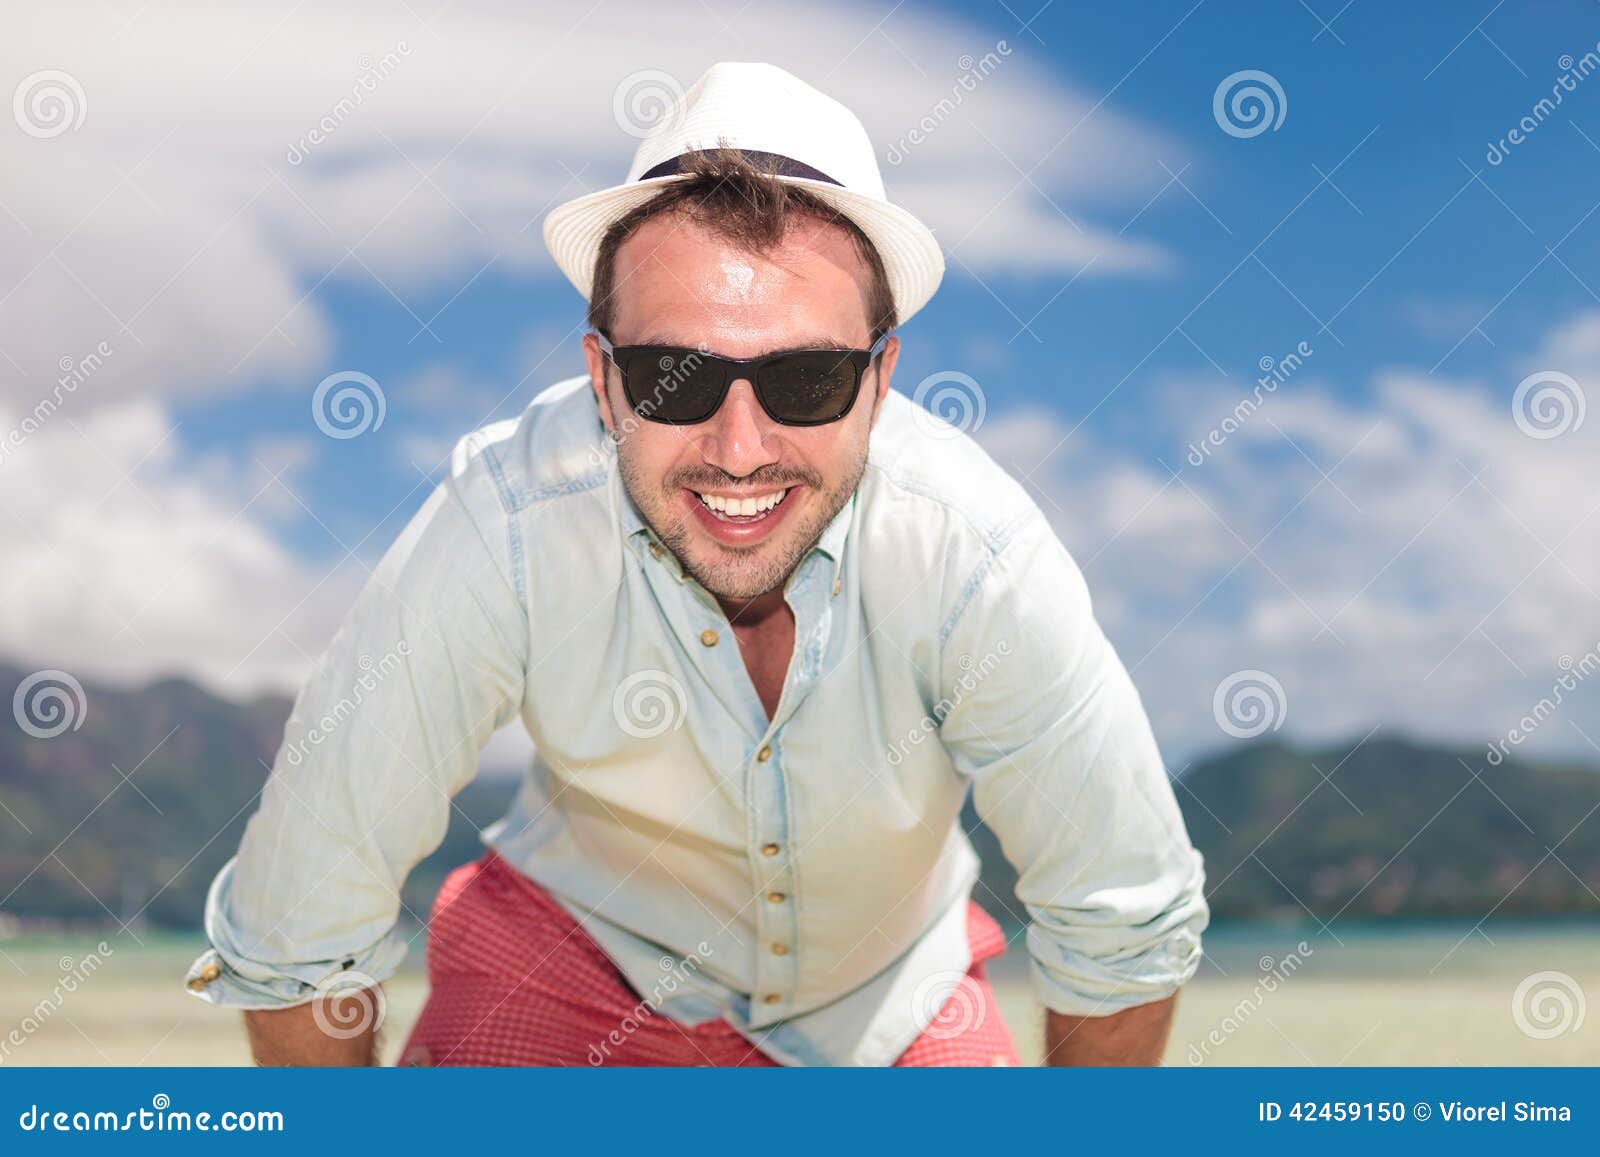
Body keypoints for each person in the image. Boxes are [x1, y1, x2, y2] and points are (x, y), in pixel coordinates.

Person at [185, 61, 1208, 1067]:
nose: (738, 447)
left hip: (888, 997)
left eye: (806, 377)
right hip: (565, 951)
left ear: (882, 378)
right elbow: (304, 913)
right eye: (673, 377)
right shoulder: (508, 521)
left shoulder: (974, 551)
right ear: (600, 376)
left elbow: (1122, 913)